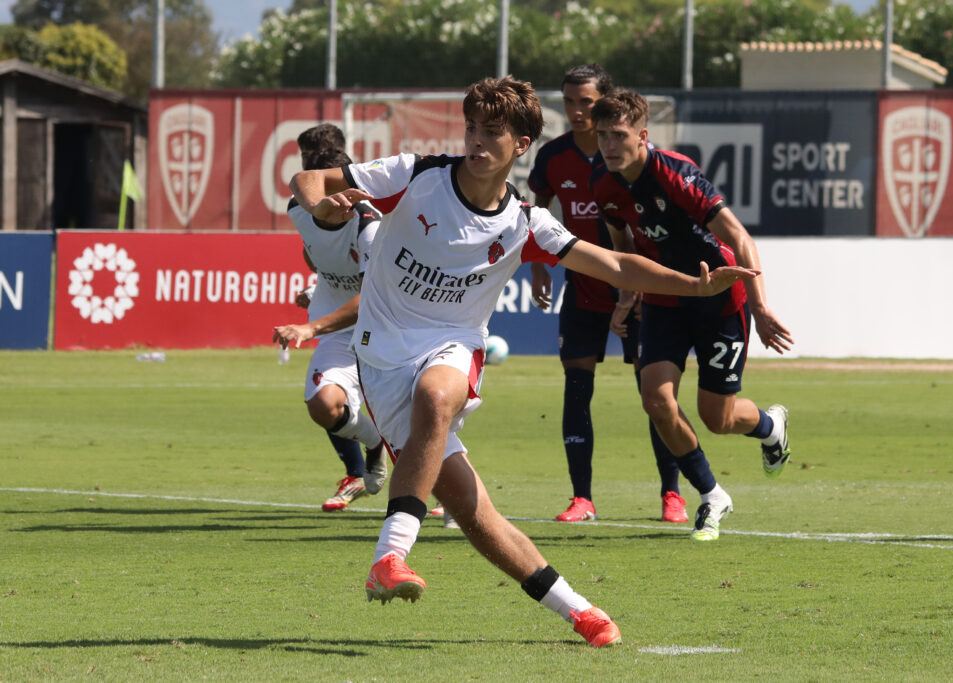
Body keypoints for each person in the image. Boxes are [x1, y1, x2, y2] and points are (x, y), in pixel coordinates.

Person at [289, 76, 758, 647]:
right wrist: (322, 209)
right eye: (471, 128)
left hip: (452, 346)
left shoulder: (525, 222)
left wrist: (696, 286)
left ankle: (389, 556)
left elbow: (616, 265)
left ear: (521, 144)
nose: (476, 140)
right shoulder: (414, 175)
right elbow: (308, 179)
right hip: (381, 359)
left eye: (493, 132)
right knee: (475, 514)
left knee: (436, 394)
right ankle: (581, 610)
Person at [589, 89, 794, 543]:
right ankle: (712, 495)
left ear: (642, 135)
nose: (609, 145)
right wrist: (627, 297)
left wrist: (760, 306)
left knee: (717, 418)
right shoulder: (602, 181)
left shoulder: (677, 175)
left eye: (618, 135)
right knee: (656, 400)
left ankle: (769, 426)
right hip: (664, 300)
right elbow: (623, 247)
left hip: (720, 300)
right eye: (602, 135)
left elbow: (739, 238)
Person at [527, 64, 687, 525]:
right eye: (569, 101)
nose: (577, 111)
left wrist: (638, 288)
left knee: (656, 396)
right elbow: (537, 209)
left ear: (606, 103)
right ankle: (582, 498)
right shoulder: (553, 156)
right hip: (583, 290)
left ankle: (672, 493)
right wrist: (537, 264)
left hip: (639, 292)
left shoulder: (627, 159)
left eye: (587, 102)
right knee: (577, 390)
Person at [272, 146, 387, 512]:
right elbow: (316, 255)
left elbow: (369, 299)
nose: (341, 199)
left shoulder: (370, 226)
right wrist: (316, 289)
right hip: (340, 329)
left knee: (420, 413)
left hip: (387, 329)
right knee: (323, 406)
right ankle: (373, 442)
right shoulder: (299, 211)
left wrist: (310, 328)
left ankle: (448, 497)